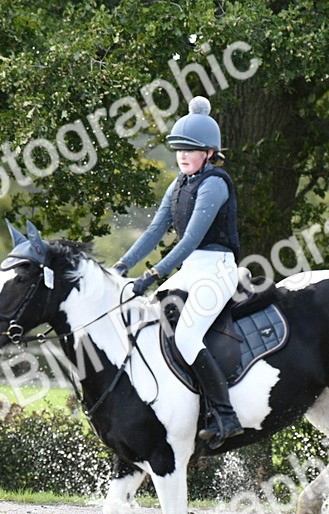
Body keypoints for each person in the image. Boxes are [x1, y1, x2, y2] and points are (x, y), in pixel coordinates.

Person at [113, 95, 242, 447]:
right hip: (190, 269)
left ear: (209, 153)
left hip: (217, 270)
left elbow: (189, 241)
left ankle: (225, 416)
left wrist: (152, 275)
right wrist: (121, 266)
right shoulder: (179, 184)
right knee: (146, 321)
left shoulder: (214, 184)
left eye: (191, 149)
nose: (183, 155)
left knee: (185, 337)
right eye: (179, 149)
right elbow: (155, 231)